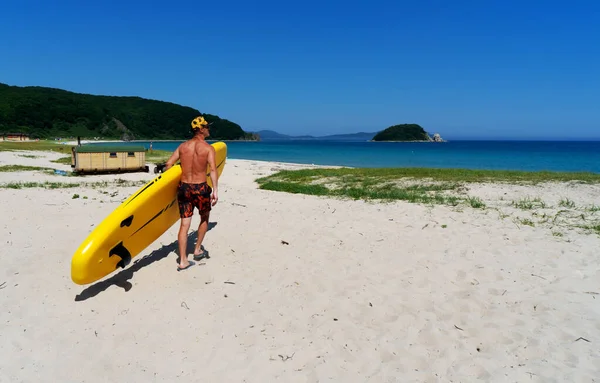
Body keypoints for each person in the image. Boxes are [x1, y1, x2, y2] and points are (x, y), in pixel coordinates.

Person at [164, 115, 219, 271]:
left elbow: (169, 165)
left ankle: (183, 261)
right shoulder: (208, 148)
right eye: (207, 127)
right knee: (204, 218)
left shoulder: (183, 147)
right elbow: (213, 170)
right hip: (201, 189)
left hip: (184, 189)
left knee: (184, 224)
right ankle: (197, 249)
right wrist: (215, 190)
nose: (209, 129)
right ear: (201, 129)